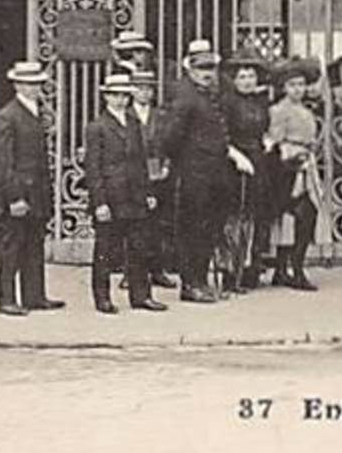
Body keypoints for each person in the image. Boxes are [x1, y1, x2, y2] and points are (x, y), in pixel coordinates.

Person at [155, 40, 251, 303]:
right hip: (194, 175)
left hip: (212, 174)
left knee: (207, 229)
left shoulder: (208, 94)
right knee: (193, 229)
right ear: (190, 69)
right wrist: (184, 162)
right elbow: (170, 138)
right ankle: (191, 284)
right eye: (202, 68)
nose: (208, 73)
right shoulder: (186, 98)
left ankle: (200, 280)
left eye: (211, 67)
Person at [85, 73, 167, 314]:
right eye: (115, 95)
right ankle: (102, 298)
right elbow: (93, 168)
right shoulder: (97, 127)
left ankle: (141, 296)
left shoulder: (133, 124)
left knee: (139, 248)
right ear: (106, 97)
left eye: (123, 95)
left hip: (135, 195)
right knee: (106, 250)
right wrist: (99, 202)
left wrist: (148, 192)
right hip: (111, 196)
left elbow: (141, 162)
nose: (120, 100)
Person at [0, 60, 65, 316]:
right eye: (28, 84)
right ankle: (6, 299)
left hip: (38, 191)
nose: (34, 88)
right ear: (17, 85)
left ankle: (34, 295)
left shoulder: (35, 111)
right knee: (13, 246)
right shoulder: (6, 116)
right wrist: (14, 196)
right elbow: (2, 162)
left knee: (34, 244)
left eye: (37, 84)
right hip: (20, 192)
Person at [267, 57, 326, 291]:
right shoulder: (278, 111)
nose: (297, 89)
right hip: (286, 166)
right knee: (292, 216)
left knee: (306, 215)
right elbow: (273, 141)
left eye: (301, 85)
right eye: (292, 85)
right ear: (284, 87)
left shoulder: (305, 110)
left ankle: (294, 266)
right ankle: (286, 269)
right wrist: (290, 158)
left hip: (305, 164)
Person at [219, 48, 271, 294]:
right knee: (234, 217)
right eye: (242, 77)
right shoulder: (228, 103)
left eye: (251, 76)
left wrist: (267, 141)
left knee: (255, 215)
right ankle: (230, 273)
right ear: (234, 80)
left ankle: (250, 269)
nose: (248, 81)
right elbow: (222, 135)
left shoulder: (261, 101)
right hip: (235, 164)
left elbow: (264, 127)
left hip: (258, 160)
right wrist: (235, 154)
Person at [128, 69, 176, 290]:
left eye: (148, 89)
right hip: (134, 176)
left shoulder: (161, 116)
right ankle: (132, 273)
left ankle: (157, 270)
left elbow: (169, 144)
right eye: (139, 88)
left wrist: (166, 165)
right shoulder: (126, 115)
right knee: (135, 224)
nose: (144, 93)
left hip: (157, 173)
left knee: (158, 224)